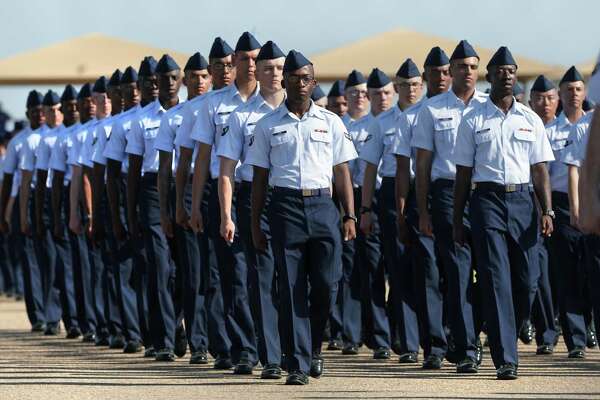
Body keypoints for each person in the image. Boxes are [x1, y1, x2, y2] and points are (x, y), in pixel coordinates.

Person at [246, 50, 357, 385]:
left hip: (323, 207)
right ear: (284, 81)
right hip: (284, 209)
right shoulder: (267, 125)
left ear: (313, 81)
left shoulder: (331, 122)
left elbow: (342, 172)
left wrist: (349, 214)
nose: (300, 84)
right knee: (291, 287)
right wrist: (255, 224)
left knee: (326, 284)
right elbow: (260, 180)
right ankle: (297, 363)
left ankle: (314, 349)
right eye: (293, 78)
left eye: (306, 78)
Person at [453, 46, 555, 380]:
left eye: (512, 71)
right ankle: (505, 358)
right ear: (490, 76)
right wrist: (457, 218)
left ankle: (517, 319)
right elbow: (464, 174)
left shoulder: (530, 119)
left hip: (523, 201)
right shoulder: (473, 119)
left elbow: (539, 168)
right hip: (486, 201)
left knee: (527, 280)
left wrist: (547, 210)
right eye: (501, 72)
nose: (507, 76)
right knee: (496, 279)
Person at [412, 40, 487, 372]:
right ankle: (466, 347)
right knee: (457, 273)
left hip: (485, 194)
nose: (467, 72)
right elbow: (423, 164)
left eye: (473, 67)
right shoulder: (432, 109)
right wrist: (424, 210)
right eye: (461, 67)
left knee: (491, 272)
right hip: (445, 193)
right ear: (451, 71)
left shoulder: (489, 106)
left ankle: (478, 333)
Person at [189, 32, 261, 374]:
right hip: (225, 193)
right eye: (240, 60)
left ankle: (269, 344)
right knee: (231, 273)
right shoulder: (213, 104)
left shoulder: (274, 102)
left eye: (251, 60)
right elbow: (204, 158)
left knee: (266, 272)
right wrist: (193, 205)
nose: (244, 66)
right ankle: (242, 347)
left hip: (265, 194)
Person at [217, 40, 286, 379]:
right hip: (252, 199)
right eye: (267, 67)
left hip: (293, 199)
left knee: (294, 278)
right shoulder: (241, 115)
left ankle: (298, 349)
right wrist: (227, 214)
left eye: (278, 67)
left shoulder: (307, 110)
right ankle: (266, 354)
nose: (274, 73)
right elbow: (226, 170)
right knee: (256, 278)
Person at [175, 37, 234, 368]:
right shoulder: (198, 108)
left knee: (241, 272)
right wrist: (185, 205)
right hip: (208, 189)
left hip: (246, 189)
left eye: (229, 65)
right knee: (203, 272)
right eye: (218, 67)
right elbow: (186, 162)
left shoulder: (247, 102)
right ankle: (205, 342)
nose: (225, 72)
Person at [154, 51, 212, 364]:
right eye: (195, 77)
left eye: (205, 76)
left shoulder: (220, 108)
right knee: (191, 273)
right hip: (187, 191)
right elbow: (166, 169)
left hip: (219, 189)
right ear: (185, 81)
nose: (200, 82)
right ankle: (198, 341)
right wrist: (168, 210)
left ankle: (219, 338)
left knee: (216, 272)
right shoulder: (175, 116)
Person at [126, 54, 182, 362]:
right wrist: (132, 211)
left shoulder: (191, 114)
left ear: (181, 81)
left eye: (174, 78)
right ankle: (163, 340)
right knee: (159, 268)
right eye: (163, 79)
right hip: (151, 191)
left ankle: (179, 323)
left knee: (187, 268)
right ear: (153, 84)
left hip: (185, 188)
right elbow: (133, 170)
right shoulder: (141, 119)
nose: (168, 84)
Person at [104, 58, 158, 356]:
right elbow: (111, 175)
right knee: (134, 268)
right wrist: (117, 215)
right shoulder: (122, 123)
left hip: (166, 192)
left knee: (166, 270)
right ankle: (136, 332)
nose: (146, 88)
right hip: (132, 193)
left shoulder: (174, 114)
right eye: (143, 83)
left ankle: (170, 324)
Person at [533, 71, 586, 358]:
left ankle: (587, 326)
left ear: (585, 93)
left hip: (590, 202)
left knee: (588, 272)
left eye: (578, 89)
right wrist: (547, 211)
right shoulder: (547, 133)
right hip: (558, 206)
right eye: (568, 90)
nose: (573, 95)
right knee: (562, 275)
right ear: (561, 95)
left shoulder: (591, 126)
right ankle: (573, 339)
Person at [348, 68, 395, 361]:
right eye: (375, 94)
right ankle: (379, 337)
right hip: (363, 199)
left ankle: (402, 333)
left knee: (401, 268)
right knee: (372, 270)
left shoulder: (401, 122)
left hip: (394, 196)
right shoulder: (359, 128)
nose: (380, 98)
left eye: (385, 93)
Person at [35, 89, 81, 338]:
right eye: (50, 110)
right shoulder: (49, 140)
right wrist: (50, 214)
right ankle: (55, 318)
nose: (56, 114)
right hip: (59, 199)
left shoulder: (79, 132)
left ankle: (76, 319)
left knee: (77, 265)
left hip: (81, 199)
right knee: (57, 265)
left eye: (57, 109)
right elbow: (42, 180)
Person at [0, 90, 46, 331]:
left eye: (43, 110)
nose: (40, 114)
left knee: (51, 260)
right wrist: (4, 213)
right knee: (30, 260)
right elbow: (8, 181)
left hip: (50, 199)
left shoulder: (56, 136)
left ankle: (52, 312)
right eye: (35, 111)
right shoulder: (18, 142)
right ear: (28, 114)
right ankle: (37, 315)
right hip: (23, 202)